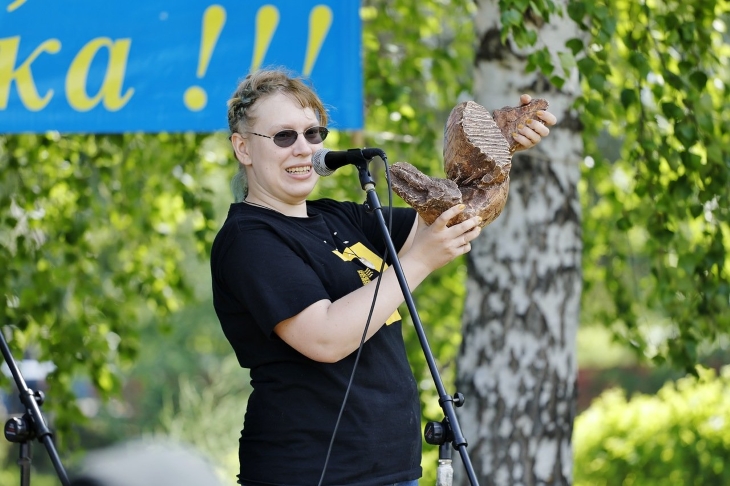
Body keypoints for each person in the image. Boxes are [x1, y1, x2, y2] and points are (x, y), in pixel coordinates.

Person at [210, 68, 557, 486]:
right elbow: (324, 337)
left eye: (313, 133)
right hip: (310, 471)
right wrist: (420, 261)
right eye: (284, 136)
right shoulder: (249, 239)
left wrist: (497, 145)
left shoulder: (341, 215)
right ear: (243, 148)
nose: (303, 149)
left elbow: (453, 218)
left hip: (392, 470)